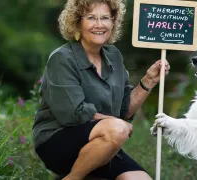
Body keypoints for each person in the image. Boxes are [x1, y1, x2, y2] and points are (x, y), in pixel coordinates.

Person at [32, 0, 170, 180]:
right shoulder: (62, 58)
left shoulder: (114, 56)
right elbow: (72, 114)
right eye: (91, 18)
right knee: (117, 128)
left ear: (113, 22)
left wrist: (149, 81)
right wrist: (118, 125)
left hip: (103, 142)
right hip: (57, 140)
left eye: (105, 18)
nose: (99, 24)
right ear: (77, 22)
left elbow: (124, 111)